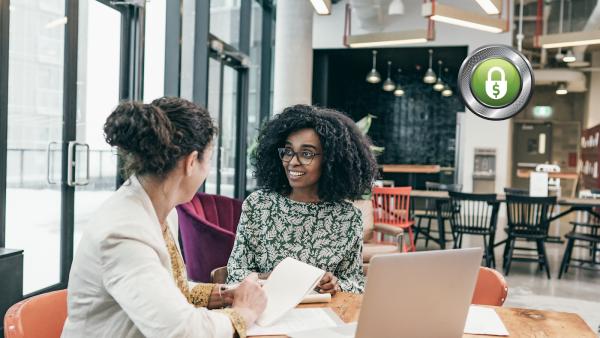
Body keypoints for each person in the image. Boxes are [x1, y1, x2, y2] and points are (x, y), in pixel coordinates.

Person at [62, 97, 266, 338]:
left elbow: (163, 287)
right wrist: (244, 313)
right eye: (209, 160)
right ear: (191, 162)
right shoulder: (123, 233)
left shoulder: (161, 211)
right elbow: (181, 332)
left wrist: (223, 294)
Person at [226, 104, 378, 294]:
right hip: (267, 312)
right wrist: (277, 278)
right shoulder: (259, 206)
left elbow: (355, 283)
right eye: (288, 151)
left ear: (331, 160)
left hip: (323, 316)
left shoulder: (348, 217)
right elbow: (235, 274)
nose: (292, 161)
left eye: (306, 153)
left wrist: (336, 284)